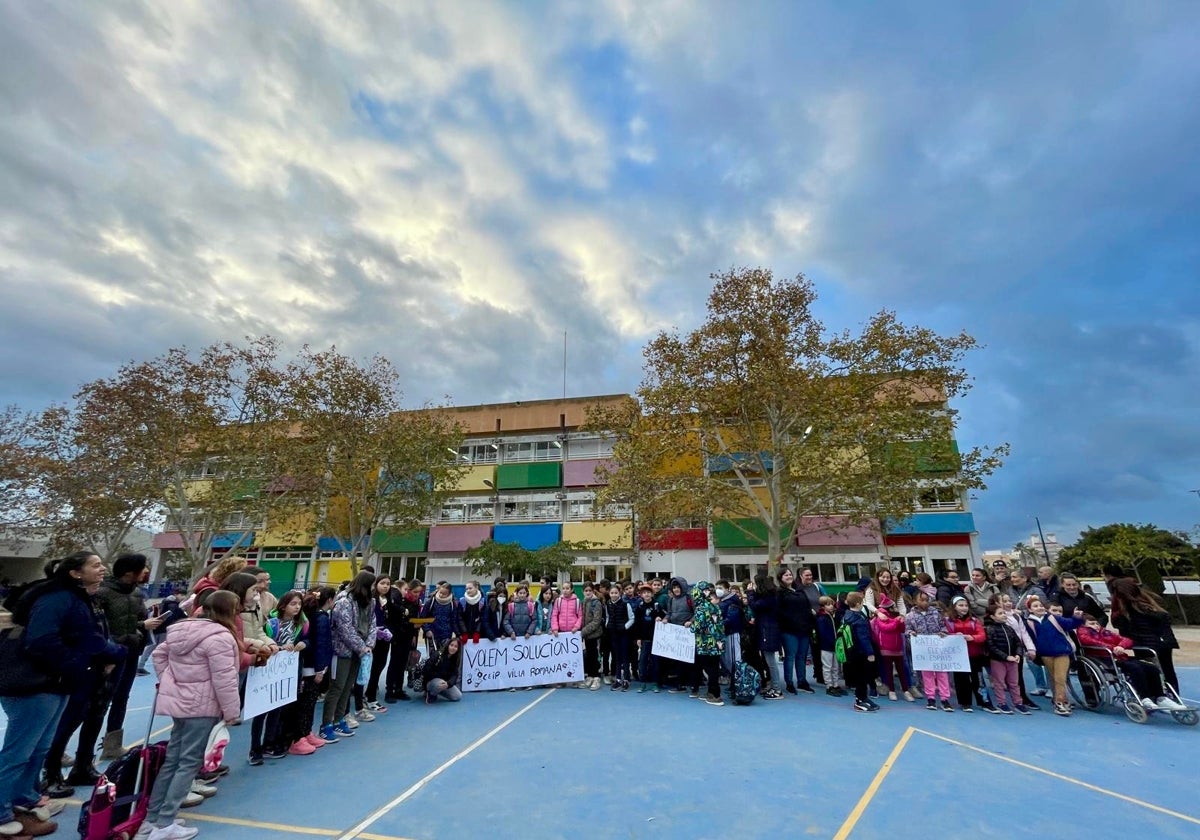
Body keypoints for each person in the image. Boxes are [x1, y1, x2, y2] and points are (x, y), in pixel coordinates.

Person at [2, 552, 121, 836]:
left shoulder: (75, 599)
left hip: (56, 683)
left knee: (39, 749)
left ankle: (22, 801)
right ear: (75, 573)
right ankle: (3, 809)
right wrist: (75, 664)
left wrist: (111, 652)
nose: (103, 568)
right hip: (35, 685)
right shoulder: (56, 598)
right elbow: (41, 640)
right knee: (19, 751)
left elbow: (86, 637)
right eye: (95, 565)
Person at [135, 589, 243, 840]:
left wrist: (170, 682)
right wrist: (231, 712)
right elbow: (225, 678)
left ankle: (152, 819)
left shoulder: (181, 629)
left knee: (173, 759)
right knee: (188, 762)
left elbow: (159, 656)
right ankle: (165, 823)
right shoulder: (221, 637)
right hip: (203, 706)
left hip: (181, 704)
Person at [96, 553, 163, 761]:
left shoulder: (137, 594)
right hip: (108, 653)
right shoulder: (102, 593)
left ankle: (112, 744)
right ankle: (64, 749)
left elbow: (138, 619)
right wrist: (141, 626)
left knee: (121, 696)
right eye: (143, 568)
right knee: (97, 700)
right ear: (128, 572)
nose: (146, 572)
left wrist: (144, 626)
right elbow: (101, 624)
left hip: (131, 651)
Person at [1076, 617, 1186, 711]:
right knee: (1135, 668)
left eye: (1096, 623)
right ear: (1083, 625)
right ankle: (1144, 698)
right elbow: (1087, 641)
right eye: (1091, 623)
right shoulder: (1083, 632)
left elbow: (1126, 640)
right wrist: (1112, 647)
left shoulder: (1105, 632)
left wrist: (1121, 646)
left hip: (1120, 657)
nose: (1096, 626)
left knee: (1151, 668)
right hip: (1104, 660)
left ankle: (1160, 697)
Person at [321, 572, 376, 741]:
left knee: (347, 687)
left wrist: (369, 644)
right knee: (337, 686)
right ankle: (326, 725)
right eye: (372, 585)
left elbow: (373, 623)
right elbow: (345, 629)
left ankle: (339, 720)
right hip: (342, 651)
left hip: (358, 652)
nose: (373, 588)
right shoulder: (344, 601)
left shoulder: (370, 602)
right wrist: (361, 646)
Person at [1109, 578, 1181, 693]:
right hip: (1164, 642)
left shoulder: (1127, 612)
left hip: (1144, 644)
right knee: (1167, 669)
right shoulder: (1151, 605)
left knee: (1149, 668)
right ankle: (1172, 694)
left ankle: (1154, 694)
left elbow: (1124, 631)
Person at [264, 591, 310, 755]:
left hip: (291, 669)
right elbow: (266, 642)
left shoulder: (302, 623)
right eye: (293, 604)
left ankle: (281, 738)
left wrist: (303, 644)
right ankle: (266, 742)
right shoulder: (271, 623)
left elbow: (307, 639)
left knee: (287, 705)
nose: (297, 607)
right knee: (269, 709)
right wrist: (278, 648)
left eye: (299, 604)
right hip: (272, 670)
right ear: (283, 605)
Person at [905, 591, 952, 711]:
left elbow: (943, 626)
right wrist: (912, 633)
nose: (925, 602)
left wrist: (943, 633)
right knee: (927, 675)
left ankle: (944, 698)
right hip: (924, 650)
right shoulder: (910, 616)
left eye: (927, 600)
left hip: (938, 648)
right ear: (915, 601)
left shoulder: (936, 613)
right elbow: (908, 630)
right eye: (922, 600)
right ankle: (930, 698)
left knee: (942, 674)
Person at [984, 602, 1028, 715]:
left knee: (1014, 683)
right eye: (1000, 613)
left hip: (1012, 660)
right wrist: (1006, 656)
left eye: (1004, 613)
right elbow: (991, 646)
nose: (1004, 615)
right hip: (998, 661)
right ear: (992, 616)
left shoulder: (1009, 628)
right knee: (999, 683)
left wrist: (1018, 654)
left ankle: (1018, 703)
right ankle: (1001, 703)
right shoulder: (990, 629)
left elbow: (1018, 643)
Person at [776, 568, 815, 695]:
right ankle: (789, 682)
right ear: (781, 578)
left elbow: (808, 607)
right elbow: (779, 611)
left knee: (802, 656)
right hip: (789, 629)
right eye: (786, 575)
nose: (788, 576)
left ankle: (802, 681)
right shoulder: (780, 593)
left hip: (804, 628)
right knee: (790, 656)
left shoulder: (800, 590)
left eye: (790, 574)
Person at [945, 596, 986, 712]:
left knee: (978, 679)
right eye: (961, 605)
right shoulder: (948, 621)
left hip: (974, 655)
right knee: (961, 680)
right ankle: (965, 703)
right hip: (959, 657)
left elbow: (982, 635)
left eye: (966, 605)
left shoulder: (974, 621)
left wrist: (972, 637)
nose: (964, 608)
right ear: (954, 607)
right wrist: (954, 636)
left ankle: (984, 702)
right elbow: (945, 635)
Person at [841, 592, 879, 712]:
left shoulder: (846, 615)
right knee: (862, 677)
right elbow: (863, 638)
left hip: (851, 651)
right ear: (858, 604)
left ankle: (863, 697)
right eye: (862, 602)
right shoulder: (859, 619)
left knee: (860, 677)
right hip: (860, 653)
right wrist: (870, 653)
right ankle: (860, 700)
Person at [690, 583, 726, 706]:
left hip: (706, 644)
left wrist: (691, 626)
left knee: (709, 668)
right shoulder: (714, 606)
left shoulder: (700, 608)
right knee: (714, 667)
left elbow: (698, 627)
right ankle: (713, 692)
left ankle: (714, 694)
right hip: (717, 642)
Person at [384, 581, 419, 703]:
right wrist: (409, 623)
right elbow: (396, 619)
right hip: (398, 636)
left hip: (408, 636)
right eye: (413, 591)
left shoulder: (415, 602)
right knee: (394, 663)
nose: (417, 594)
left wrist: (415, 633)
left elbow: (415, 619)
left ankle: (399, 689)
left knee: (403, 663)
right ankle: (389, 691)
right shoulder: (398, 601)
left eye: (419, 592)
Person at [750, 573, 783, 699]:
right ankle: (774, 686)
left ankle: (777, 689)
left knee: (771, 662)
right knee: (769, 661)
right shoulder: (771, 595)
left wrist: (750, 593)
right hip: (768, 628)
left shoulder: (768, 598)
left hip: (767, 630)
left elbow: (755, 606)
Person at [364, 576, 394, 711]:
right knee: (366, 668)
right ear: (376, 585)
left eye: (388, 584)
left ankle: (370, 695)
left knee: (380, 665)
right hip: (371, 640)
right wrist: (374, 631)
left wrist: (389, 630)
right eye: (382, 583)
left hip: (384, 640)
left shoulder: (388, 601)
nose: (385, 586)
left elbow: (391, 618)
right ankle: (368, 698)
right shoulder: (370, 600)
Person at [871, 604, 913, 701]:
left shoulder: (896, 618)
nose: (895, 609)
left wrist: (902, 622)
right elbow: (886, 628)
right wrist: (897, 621)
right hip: (886, 648)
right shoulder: (880, 617)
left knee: (901, 670)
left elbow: (902, 630)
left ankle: (906, 690)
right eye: (893, 607)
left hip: (898, 648)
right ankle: (891, 690)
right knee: (888, 671)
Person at [633, 585, 665, 692]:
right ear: (641, 595)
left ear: (652, 593)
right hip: (644, 639)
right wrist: (638, 637)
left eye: (648, 592)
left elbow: (664, 617)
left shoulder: (657, 605)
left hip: (656, 639)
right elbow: (636, 624)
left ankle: (655, 683)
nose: (646, 594)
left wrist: (660, 618)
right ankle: (642, 683)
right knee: (642, 661)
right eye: (644, 593)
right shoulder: (640, 606)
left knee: (655, 662)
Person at [604, 584, 634, 691]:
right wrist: (608, 624)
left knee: (625, 657)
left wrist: (625, 627)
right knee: (617, 657)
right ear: (609, 594)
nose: (614, 595)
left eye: (616, 593)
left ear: (619, 593)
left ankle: (626, 679)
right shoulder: (608, 604)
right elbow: (607, 616)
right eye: (612, 593)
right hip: (613, 634)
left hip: (624, 635)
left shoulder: (626, 605)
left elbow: (632, 618)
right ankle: (618, 679)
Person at [814, 596, 845, 697]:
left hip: (834, 646)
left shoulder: (831, 616)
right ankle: (829, 686)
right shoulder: (822, 618)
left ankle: (835, 684)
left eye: (832, 604)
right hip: (826, 647)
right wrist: (833, 641)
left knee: (836, 667)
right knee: (827, 667)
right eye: (828, 604)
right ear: (822, 606)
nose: (831, 606)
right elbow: (823, 633)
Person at [423, 637, 463, 703]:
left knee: (458, 696)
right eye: (451, 645)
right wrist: (439, 678)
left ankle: (438, 690)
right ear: (448, 645)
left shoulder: (455, 659)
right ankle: (430, 694)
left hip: (445, 683)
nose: (453, 648)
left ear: (458, 649)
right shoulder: (438, 654)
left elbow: (455, 674)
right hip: (430, 681)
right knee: (439, 683)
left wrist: (449, 683)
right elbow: (426, 669)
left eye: (456, 646)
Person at [580, 584, 605, 690]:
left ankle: (596, 677)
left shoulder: (596, 603)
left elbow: (596, 620)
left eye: (590, 590)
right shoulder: (584, 602)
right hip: (586, 634)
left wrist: (584, 631)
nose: (588, 592)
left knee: (594, 655)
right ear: (583, 592)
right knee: (589, 655)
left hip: (594, 634)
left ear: (593, 591)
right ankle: (590, 676)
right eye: (586, 590)